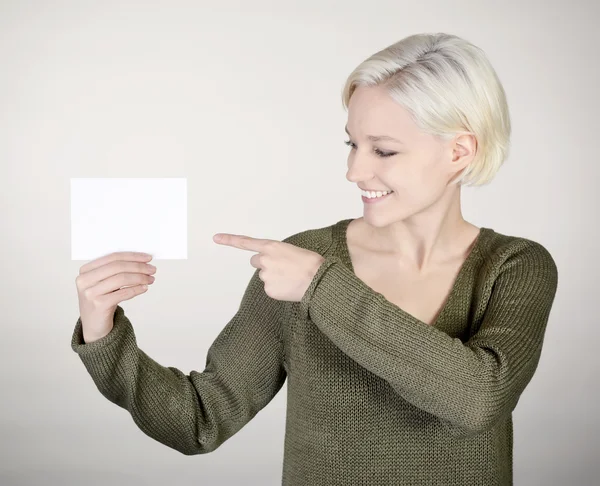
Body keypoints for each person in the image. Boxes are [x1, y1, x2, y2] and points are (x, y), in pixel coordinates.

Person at [71, 32, 558, 485]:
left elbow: (479, 399)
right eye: (352, 143)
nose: (354, 170)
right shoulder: (306, 258)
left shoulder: (514, 265)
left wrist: (323, 290)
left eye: (383, 151)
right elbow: (201, 419)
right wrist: (102, 332)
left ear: (459, 151)